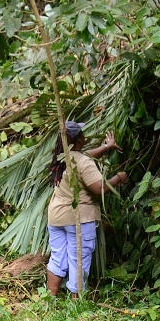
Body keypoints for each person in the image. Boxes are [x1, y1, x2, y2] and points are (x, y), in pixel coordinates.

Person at [46, 120, 127, 298]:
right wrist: (118, 178)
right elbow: (99, 188)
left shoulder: (61, 157)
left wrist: (106, 147)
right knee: (79, 260)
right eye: (82, 134)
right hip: (78, 218)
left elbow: (85, 156)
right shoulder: (83, 162)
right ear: (78, 139)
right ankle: (76, 302)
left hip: (56, 216)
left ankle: (49, 298)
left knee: (57, 258)